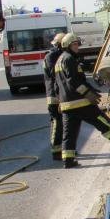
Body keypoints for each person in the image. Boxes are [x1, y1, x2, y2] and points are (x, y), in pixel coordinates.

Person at [54, 32, 110, 168]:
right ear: (67, 45)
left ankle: (68, 161)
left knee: (69, 134)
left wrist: (60, 101)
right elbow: (74, 81)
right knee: (104, 123)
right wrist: (88, 94)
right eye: (75, 44)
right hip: (80, 102)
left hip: (67, 105)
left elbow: (57, 85)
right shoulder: (69, 59)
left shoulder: (59, 60)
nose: (77, 47)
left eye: (77, 44)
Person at [43, 32, 66, 161]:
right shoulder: (51, 56)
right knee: (57, 123)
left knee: (64, 124)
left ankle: (65, 148)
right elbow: (56, 76)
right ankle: (56, 151)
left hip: (62, 95)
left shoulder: (60, 55)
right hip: (54, 96)